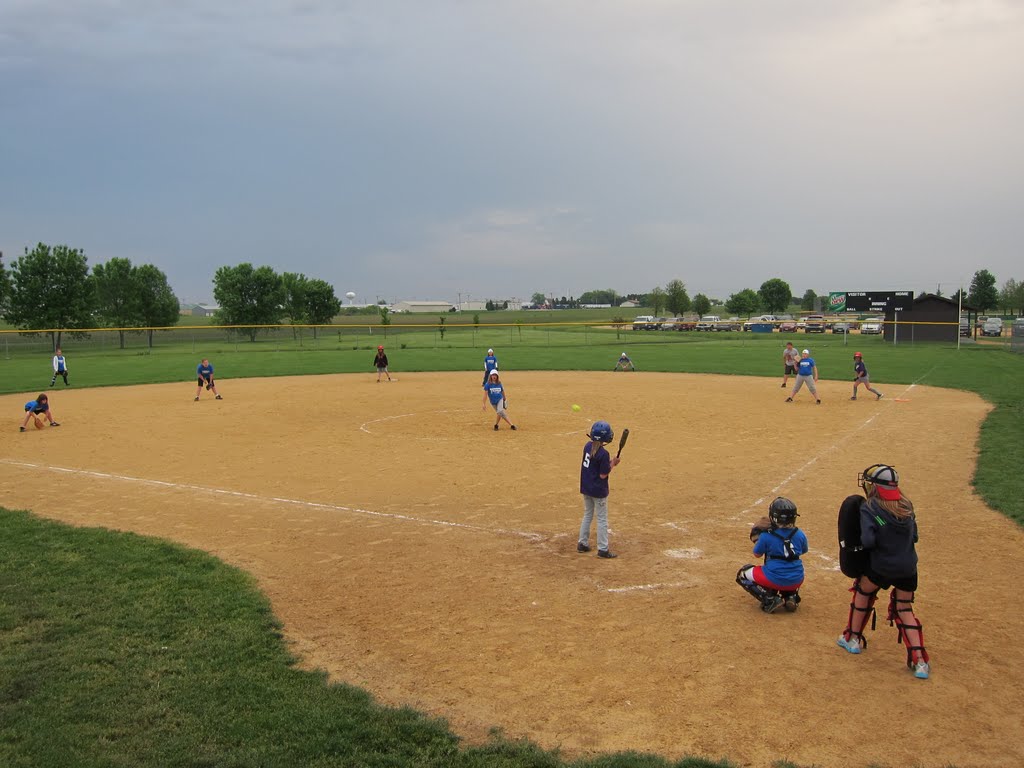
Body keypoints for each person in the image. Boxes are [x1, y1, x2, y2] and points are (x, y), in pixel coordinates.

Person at [835, 464, 930, 680]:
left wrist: (876, 529)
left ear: (875, 488)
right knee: (904, 608)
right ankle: (920, 661)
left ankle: (853, 639)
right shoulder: (907, 506)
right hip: (908, 568)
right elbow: (914, 536)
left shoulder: (872, 509)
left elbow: (869, 540)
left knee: (863, 593)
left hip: (882, 567)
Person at [736, 497, 807, 613]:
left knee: (742, 574)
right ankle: (790, 596)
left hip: (774, 578)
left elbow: (757, 554)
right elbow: (803, 550)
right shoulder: (800, 534)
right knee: (789, 568)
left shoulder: (766, 536)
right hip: (797, 579)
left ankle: (770, 599)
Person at [577, 420, 621, 558]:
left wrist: (610, 463)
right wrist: (613, 463)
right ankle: (603, 549)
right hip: (598, 490)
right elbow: (603, 474)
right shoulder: (603, 453)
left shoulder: (587, 446)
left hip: (586, 487)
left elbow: (595, 467)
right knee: (602, 519)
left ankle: (582, 543)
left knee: (588, 515)